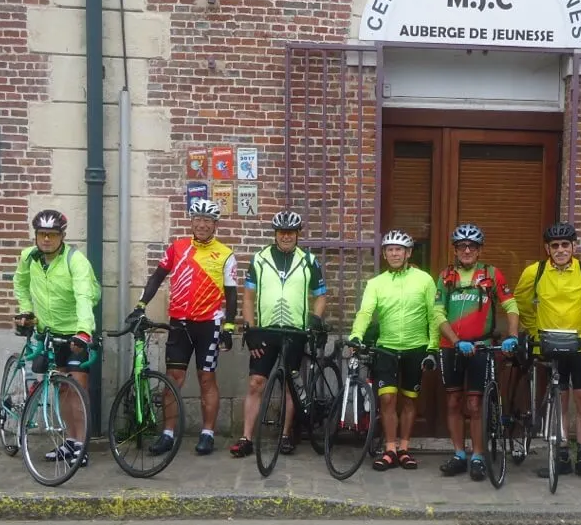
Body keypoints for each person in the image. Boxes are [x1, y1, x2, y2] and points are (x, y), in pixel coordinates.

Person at [127, 198, 237, 456]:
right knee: (173, 379)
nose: (202, 224)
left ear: (215, 225)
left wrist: (229, 327)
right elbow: (157, 277)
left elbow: (231, 295)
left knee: (206, 378)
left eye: (207, 220)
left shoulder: (225, 255)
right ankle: (167, 434)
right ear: (191, 221)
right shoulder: (177, 248)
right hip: (180, 322)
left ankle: (207, 434)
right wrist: (141, 304)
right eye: (197, 219)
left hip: (209, 324)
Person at [229, 210, 327, 458]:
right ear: (275, 234)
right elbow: (249, 297)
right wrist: (250, 329)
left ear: (297, 235)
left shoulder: (309, 260)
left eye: (290, 232)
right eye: (282, 232)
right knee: (255, 383)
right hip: (266, 331)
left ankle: (285, 435)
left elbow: (320, 295)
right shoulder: (260, 259)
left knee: (289, 385)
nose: (286, 236)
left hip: (295, 331)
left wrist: (314, 320)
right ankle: (246, 438)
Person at [349, 230, 446, 471]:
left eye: (399, 249)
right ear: (384, 253)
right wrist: (356, 335)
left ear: (408, 253)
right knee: (388, 399)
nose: (394, 253)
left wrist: (432, 348)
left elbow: (433, 315)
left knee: (410, 401)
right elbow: (365, 312)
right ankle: (390, 449)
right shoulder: (376, 283)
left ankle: (404, 448)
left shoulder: (424, 280)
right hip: (387, 348)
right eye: (390, 249)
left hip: (416, 347)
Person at [514, 221, 581, 481]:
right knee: (559, 399)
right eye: (555, 246)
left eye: (566, 245)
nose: (561, 249)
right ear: (547, 249)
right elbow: (520, 301)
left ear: (574, 246)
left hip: (580, 344)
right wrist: (533, 330)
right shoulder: (535, 271)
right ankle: (562, 455)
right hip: (550, 343)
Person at [13, 209, 101, 466]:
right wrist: (26, 310)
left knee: (78, 387)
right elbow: (20, 284)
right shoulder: (28, 258)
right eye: (42, 234)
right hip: (49, 331)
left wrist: (84, 331)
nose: (47, 240)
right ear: (36, 236)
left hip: (76, 331)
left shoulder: (76, 260)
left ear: (62, 236)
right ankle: (70, 442)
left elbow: (85, 296)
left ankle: (81, 445)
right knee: (63, 387)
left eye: (52, 235)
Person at [435, 224, 520, 482]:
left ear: (480, 249)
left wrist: (513, 335)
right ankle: (459, 454)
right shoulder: (446, 276)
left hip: (482, 347)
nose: (467, 250)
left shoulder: (492, 274)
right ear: (456, 250)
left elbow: (510, 304)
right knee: (453, 401)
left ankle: (478, 456)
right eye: (462, 246)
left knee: (474, 404)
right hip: (452, 347)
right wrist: (455, 339)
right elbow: (437, 313)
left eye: (472, 246)